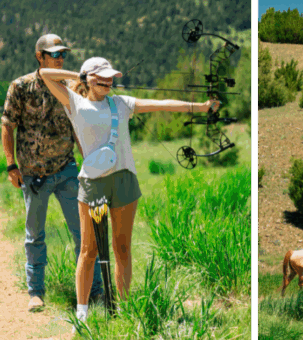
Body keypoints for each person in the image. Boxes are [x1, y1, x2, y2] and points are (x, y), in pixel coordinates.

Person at [37, 56, 219, 325]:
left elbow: (162, 105)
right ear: (89, 79)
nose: (110, 81)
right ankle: (82, 314)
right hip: (93, 182)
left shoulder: (121, 103)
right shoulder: (74, 103)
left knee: (122, 248)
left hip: (124, 180)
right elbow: (44, 73)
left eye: (111, 77)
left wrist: (201, 107)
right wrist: (80, 75)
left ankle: (124, 310)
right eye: (103, 77)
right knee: (89, 251)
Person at [2, 34, 103, 312]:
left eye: (62, 54)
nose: (59, 58)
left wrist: (89, 163)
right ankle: (36, 293)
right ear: (39, 56)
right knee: (35, 236)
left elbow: (78, 126)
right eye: (53, 54)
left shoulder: (70, 88)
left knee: (83, 234)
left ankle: (95, 293)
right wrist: (12, 165)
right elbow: (7, 125)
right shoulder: (20, 87)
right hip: (33, 175)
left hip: (67, 170)